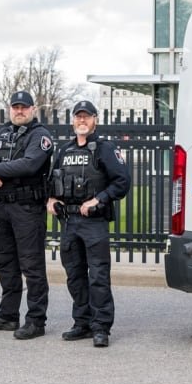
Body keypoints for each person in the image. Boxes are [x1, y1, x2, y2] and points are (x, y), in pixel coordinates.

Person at [46, 100, 132, 348]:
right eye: (78, 117)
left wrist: (98, 199)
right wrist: (51, 199)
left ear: (95, 120)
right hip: (70, 221)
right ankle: (81, 323)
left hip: (94, 222)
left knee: (98, 276)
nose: (82, 121)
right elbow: (52, 181)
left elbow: (122, 181)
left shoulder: (104, 149)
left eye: (87, 117)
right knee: (74, 275)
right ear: (73, 120)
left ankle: (101, 327)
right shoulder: (64, 151)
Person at [0, 90, 54, 340]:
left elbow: (30, 164)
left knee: (32, 266)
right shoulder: (4, 132)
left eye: (24, 107)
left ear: (33, 110)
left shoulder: (40, 136)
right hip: (4, 207)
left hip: (28, 208)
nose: (19, 111)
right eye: (15, 107)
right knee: (6, 264)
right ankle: (8, 315)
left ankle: (36, 321)